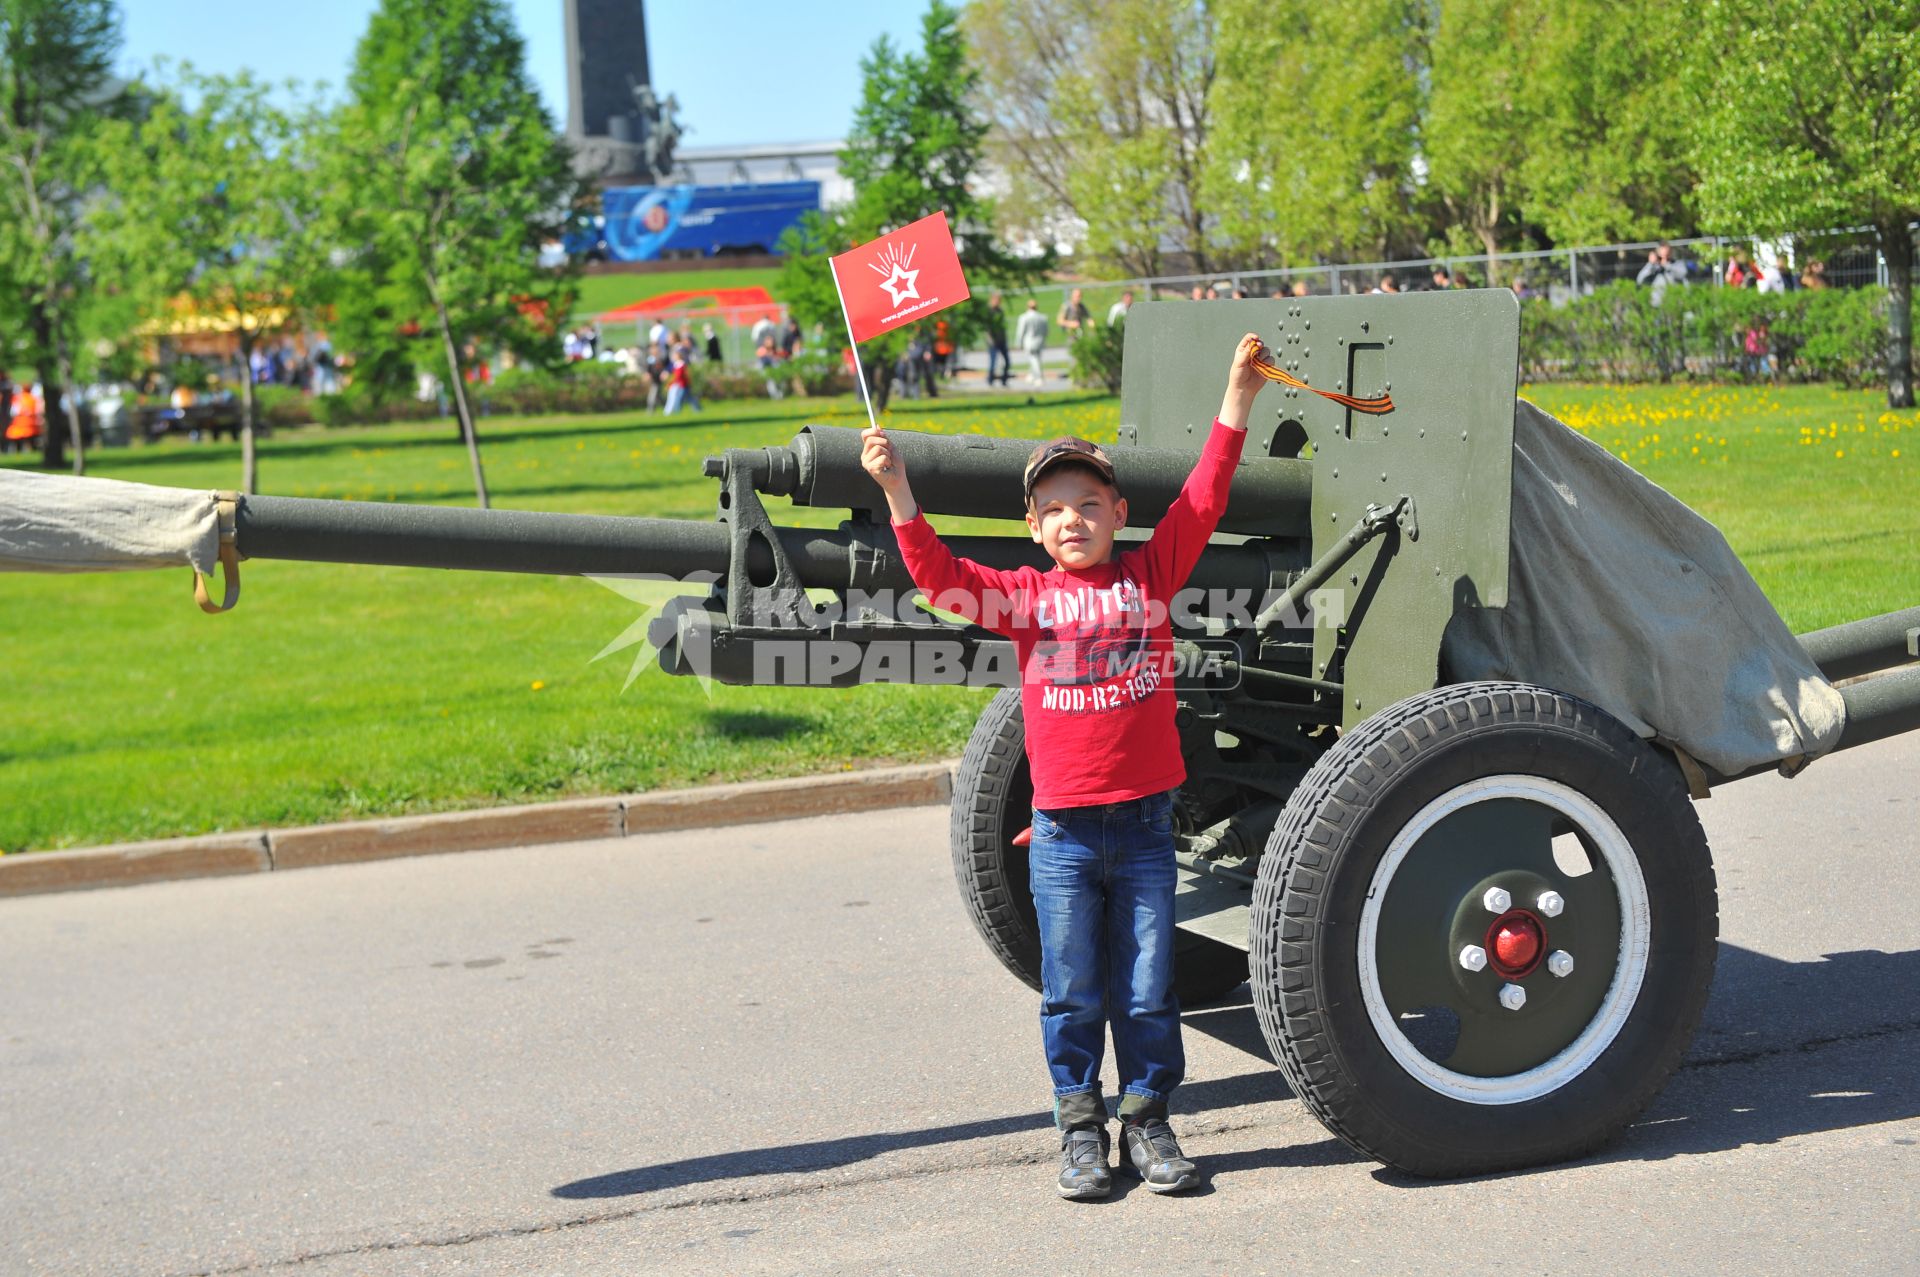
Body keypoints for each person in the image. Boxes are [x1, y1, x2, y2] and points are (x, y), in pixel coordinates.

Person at [858, 332, 1274, 1201]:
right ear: (1033, 529)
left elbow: (1203, 497)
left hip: (1147, 829)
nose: (1071, 518)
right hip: (1063, 835)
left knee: (1151, 988)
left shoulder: (1152, 576)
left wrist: (1237, 395)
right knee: (1073, 990)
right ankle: (1080, 1127)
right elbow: (938, 578)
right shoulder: (1025, 598)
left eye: (1088, 501)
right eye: (1052, 508)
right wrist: (897, 487)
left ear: (1119, 513)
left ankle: (1150, 1119)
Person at [1636, 241, 1686, 306]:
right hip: (1656, 303)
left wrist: (1667, 266)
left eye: (1667, 255)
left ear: (1670, 253)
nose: (1664, 258)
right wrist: (1650, 264)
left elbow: (1683, 274)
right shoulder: (1652, 267)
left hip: (1673, 304)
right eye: (1661, 256)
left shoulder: (1676, 264)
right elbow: (1640, 279)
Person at [1015, 298, 1050, 386]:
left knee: (1034, 359)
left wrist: (1019, 342)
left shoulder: (1024, 317)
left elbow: (1021, 331)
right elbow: (1046, 331)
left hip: (1029, 341)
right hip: (1040, 341)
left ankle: (1039, 377)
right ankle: (1031, 375)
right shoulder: (1042, 317)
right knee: (1036, 359)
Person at [662, 349, 701, 415]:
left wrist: (671, 383)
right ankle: (698, 409)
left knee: (680, 399)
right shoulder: (676, 364)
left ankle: (678, 412)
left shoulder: (681, 364)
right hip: (681, 385)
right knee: (689, 398)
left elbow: (679, 376)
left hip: (683, 385)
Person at [985, 292, 1012, 386]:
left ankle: (1004, 380)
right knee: (993, 362)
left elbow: (1002, 326)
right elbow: (987, 328)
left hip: (1001, 340)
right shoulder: (989, 311)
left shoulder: (1000, 311)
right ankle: (990, 380)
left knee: (1007, 361)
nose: (998, 302)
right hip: (993, 341)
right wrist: (990, 340)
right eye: (996, 299)